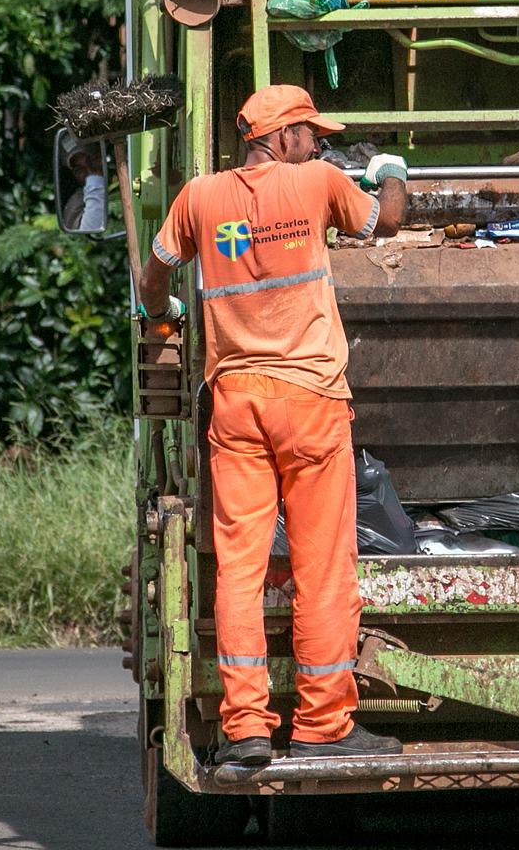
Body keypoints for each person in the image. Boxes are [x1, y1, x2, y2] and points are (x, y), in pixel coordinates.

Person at [138, 84, 409, 769]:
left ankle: (246, 728)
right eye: (310, 132)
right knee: (322, 569)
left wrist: (165, 315)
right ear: (281, 136)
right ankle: (323, 724)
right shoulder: (318, 182)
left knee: (238, 569)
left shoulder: (198, 197)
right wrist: (391, 172)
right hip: (311, 402)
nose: (319, 143)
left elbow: (153, 277)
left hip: (234, 403)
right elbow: (389, 223)